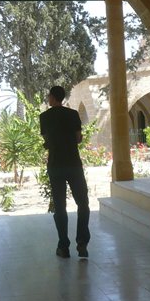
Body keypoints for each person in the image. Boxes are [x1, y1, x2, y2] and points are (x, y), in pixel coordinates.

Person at [39, 85, 91, 259]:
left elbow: (47, 140)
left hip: (56, 166)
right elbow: (78, 138)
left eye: (49, 96)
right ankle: (82, 242)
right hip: (74, 165)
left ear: (53, 98)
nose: (48, 98)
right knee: (83, 204)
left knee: (60, 207)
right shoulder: (73, 114)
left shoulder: (44, 117)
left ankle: (63, 247)